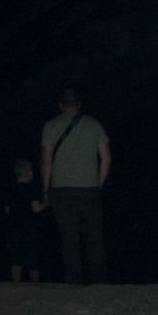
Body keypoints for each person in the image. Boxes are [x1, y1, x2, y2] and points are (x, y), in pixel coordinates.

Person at [41, 88, 111, 284]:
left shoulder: (50, 126)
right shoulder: (94, 124)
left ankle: (74, 286)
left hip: (61, 191)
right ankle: (100, 285)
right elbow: (107, 158)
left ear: (61, 105)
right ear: (79, 105)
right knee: (95, 240)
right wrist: (98, 184)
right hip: (89, 189)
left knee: (69, 241)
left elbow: (46, 162)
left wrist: (45, 191)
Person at [4, 158, 46, 283]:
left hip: (14, 229)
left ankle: (16, 288)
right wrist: (47, 203)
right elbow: (36, 208)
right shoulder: (32, 188)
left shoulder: (10, 189)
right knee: (33, 262)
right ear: (30, 173)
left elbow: (7, 209)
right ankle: (35, 289)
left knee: (16, 262)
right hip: (30, 229)